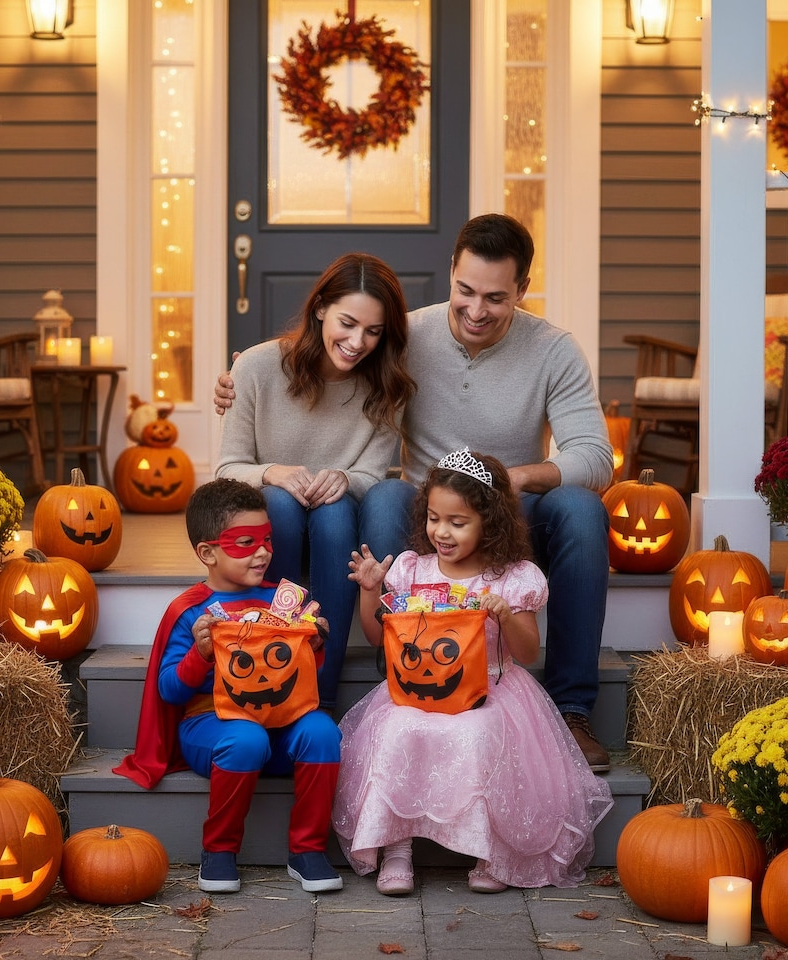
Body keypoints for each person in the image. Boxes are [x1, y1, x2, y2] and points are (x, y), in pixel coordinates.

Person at [215, 214, 614, 770]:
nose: (476, 310)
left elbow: (596, 458)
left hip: (511, 509)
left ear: (522, 290)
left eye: (496, 298)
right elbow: (324, 358)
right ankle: (401, 676)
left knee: (581, 507)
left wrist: (512, 478)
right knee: (383, 498)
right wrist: (242, 376)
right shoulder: (400, 336)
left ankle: (571, 707)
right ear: (451, 272)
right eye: (465, 291)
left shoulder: (554, 350)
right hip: (427, 509)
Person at [335, 449, 614, 895]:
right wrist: (371, 592)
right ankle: (397, 849)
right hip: (418, 688)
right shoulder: (413, 570)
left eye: (457, 522)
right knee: (397, 730)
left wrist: (506, 615)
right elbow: (376, 636)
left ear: (489, 522)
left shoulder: (509, 577)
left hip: (490, 685)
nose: (441, 532)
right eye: (433, 518)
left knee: (480, 733)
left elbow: (525, 652)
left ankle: (490, 854)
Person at [114, 478, 344, 895]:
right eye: (245, 542)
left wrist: (313, 644)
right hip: (212, 725)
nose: (263, 552)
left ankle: (308, 849)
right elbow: (169, 691)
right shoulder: (190, 611)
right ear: (207, 552)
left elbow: (301, 676)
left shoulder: (284, 601)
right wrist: (199, 653)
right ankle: (218, 850)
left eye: (268, 540)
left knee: (323, 731)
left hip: (281, 724)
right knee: (244, 738)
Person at [214, 252, 416, 713]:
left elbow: (372, 472)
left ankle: (318, 695)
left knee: (336, 509)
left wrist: (343, 477)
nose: (357, 341)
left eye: (373, 331)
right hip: (276, 521)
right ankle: (272, 669)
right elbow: (228, 467)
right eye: (347, 322)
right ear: (321, 307)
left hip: (337, 525)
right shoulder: (257, 367)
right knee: (280, 504)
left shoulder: (386, 386)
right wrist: (274, 472)